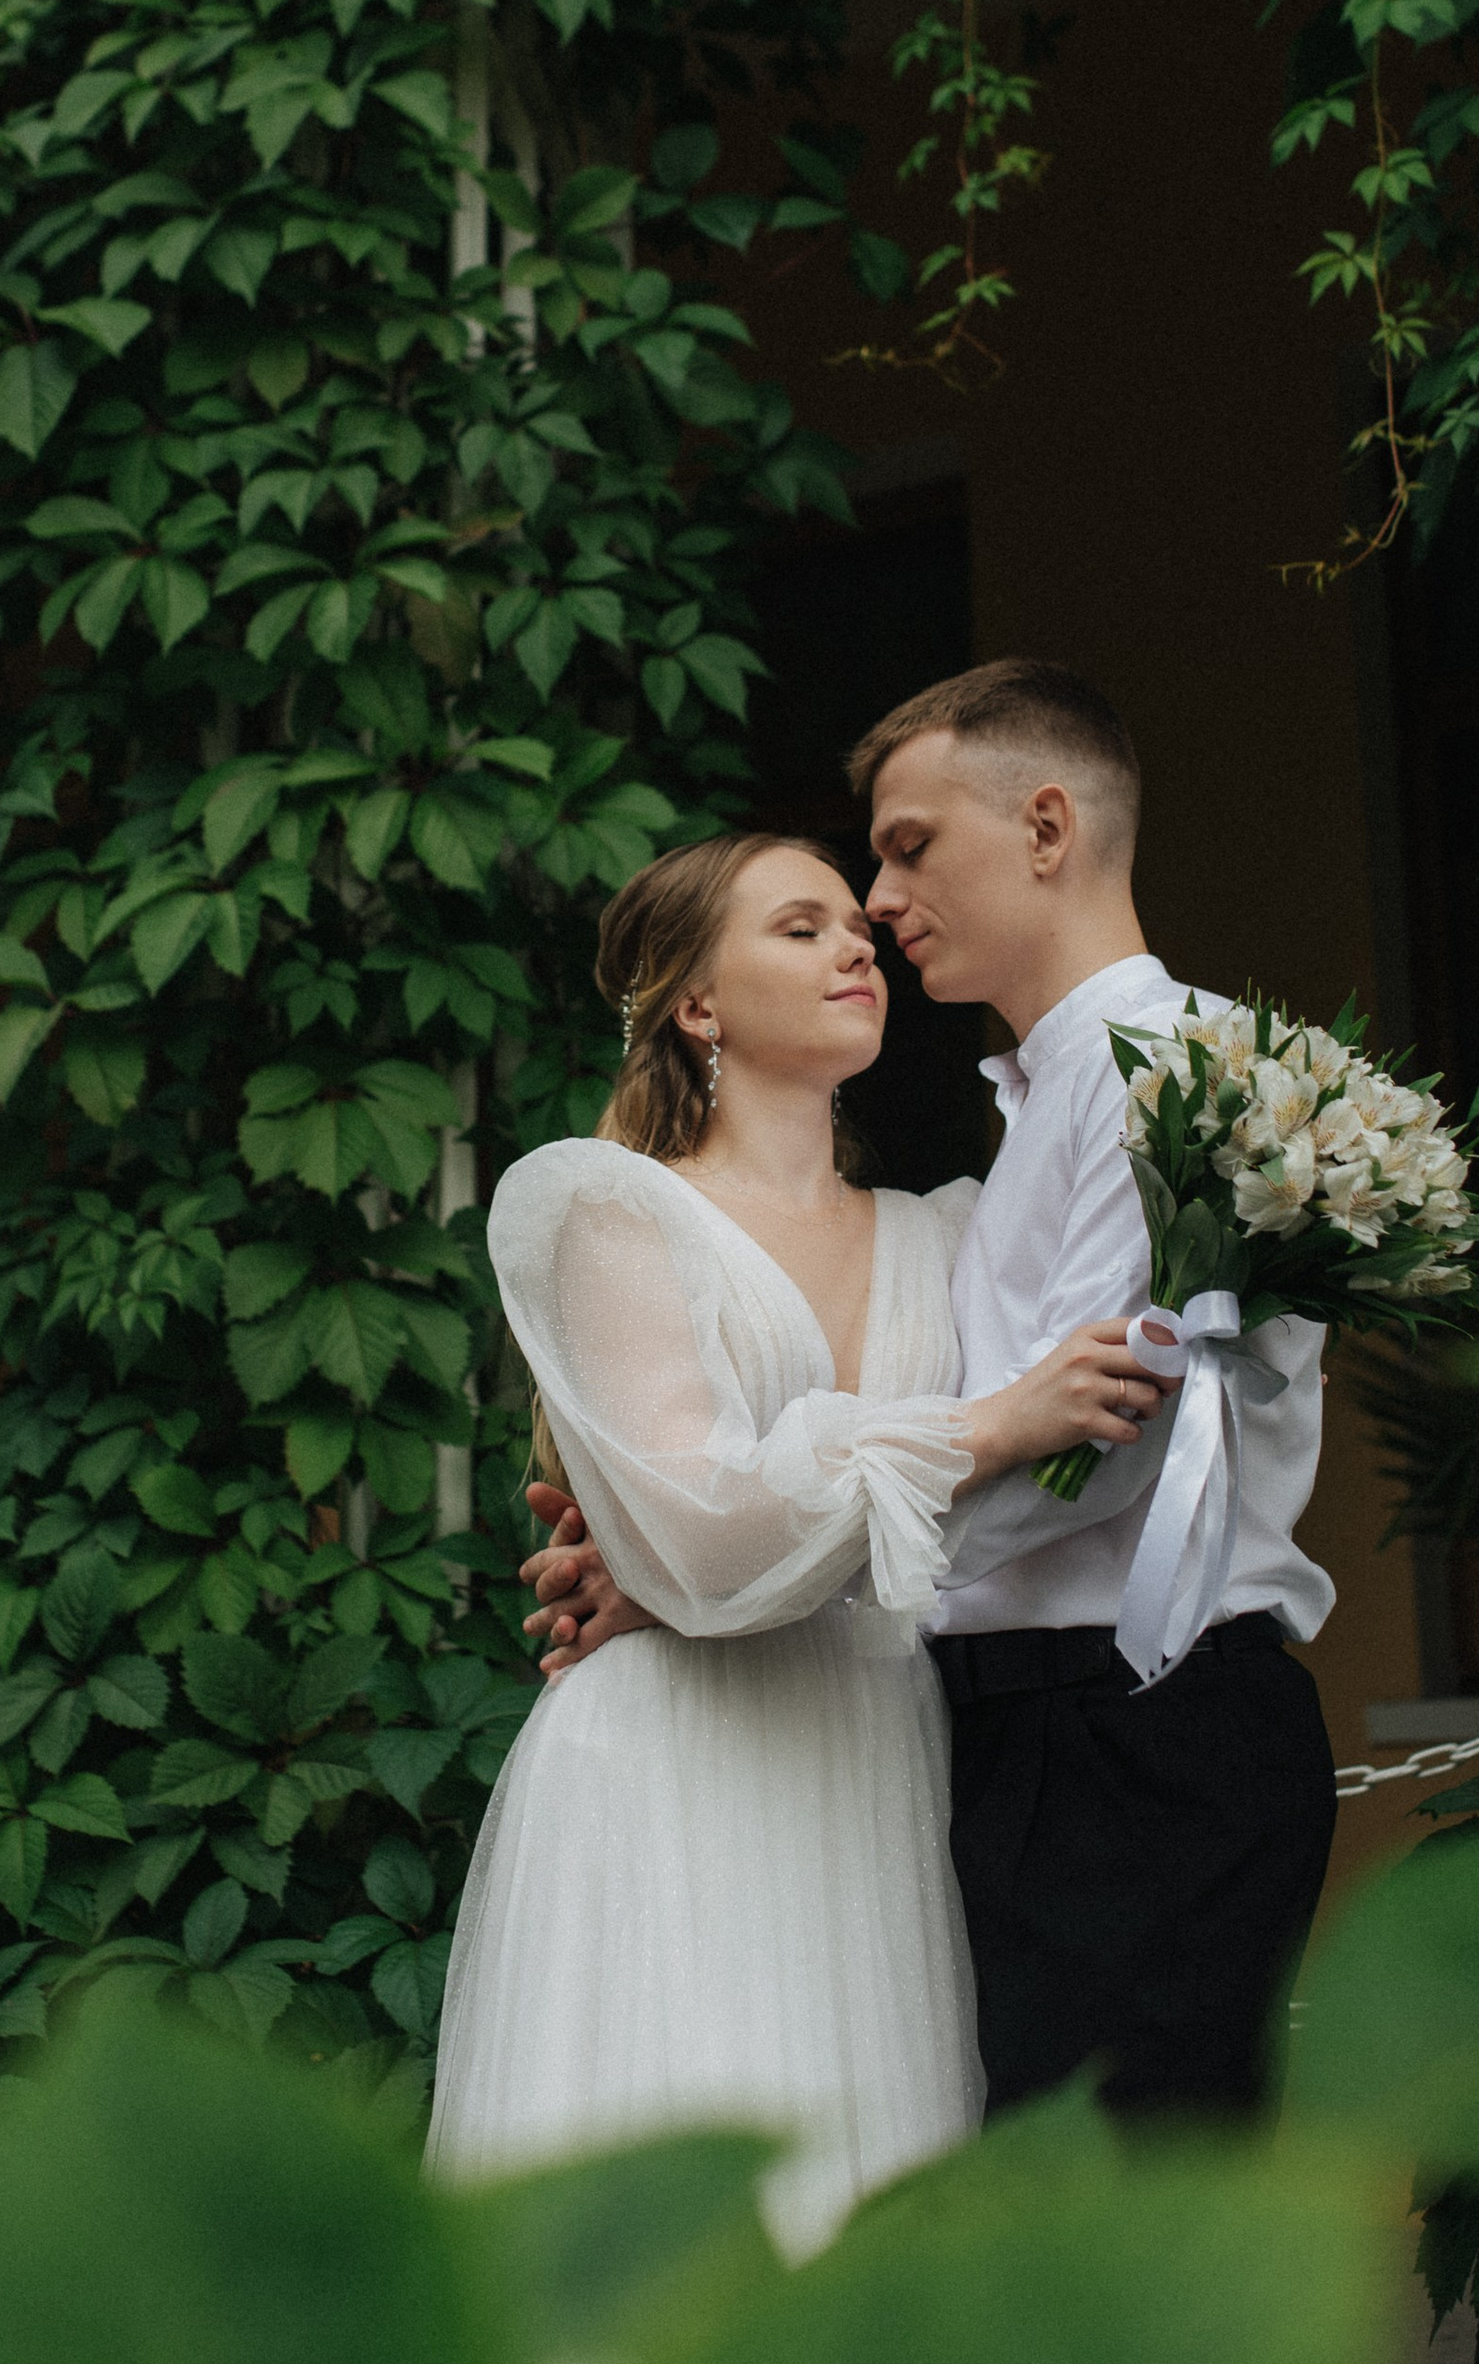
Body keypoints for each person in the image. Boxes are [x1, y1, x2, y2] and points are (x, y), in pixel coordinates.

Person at [526, 660, 1339, 2129]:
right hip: (988, 1733)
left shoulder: (1188, 1079)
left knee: (1120, 2221)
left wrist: (728, 1576)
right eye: (833, 900)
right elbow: (959, 1422)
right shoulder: (1009, 1140)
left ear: (1044, 830)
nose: (880, 913)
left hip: (1136, 1721)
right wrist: (685, 1543)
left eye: (904, 853)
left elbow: (1103, 1443)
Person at [426, 828, 1159, 2254]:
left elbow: (784, 1533)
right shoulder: (614, 1213)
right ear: (696, 1003)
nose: (856, 946)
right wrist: (985, 1427)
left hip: (880, 1748)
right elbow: (704, 1532)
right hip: (680, 1777)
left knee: (872, 2193)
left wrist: (714, 1549)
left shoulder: (950, 1234)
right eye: (802, 926)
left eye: (857, 926)